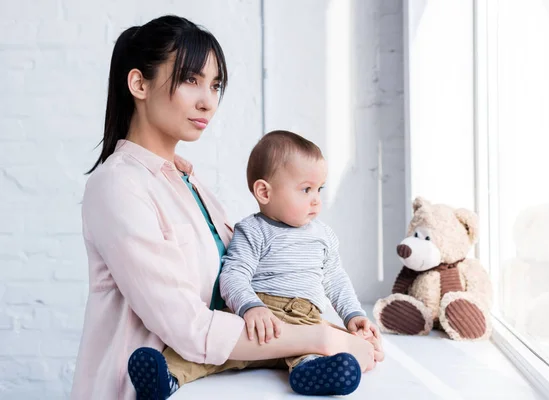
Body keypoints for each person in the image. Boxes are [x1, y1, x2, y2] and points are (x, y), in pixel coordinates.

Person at [71, 15, 381, 400]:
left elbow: (241, 284)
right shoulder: (118, 185)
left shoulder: (188, 181)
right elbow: (188, 326)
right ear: (139, 83)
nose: (208, 101)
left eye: (215, 85)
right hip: (130, 390)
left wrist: (345, 329)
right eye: (190, 80)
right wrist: (320, 337)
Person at [128, 131, 382, 397]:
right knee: (217, 348)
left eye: (320, 189)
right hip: (261, 311)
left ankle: (309, 372)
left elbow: (336, 279)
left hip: (306, 317)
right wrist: (251, 307)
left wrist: (354, 315)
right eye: (306, 189)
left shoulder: (323, 235)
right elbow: (233, 274)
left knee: (320, 347)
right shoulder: (253, 230)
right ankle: (167, 376)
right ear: (264, 192)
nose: (316, 199)